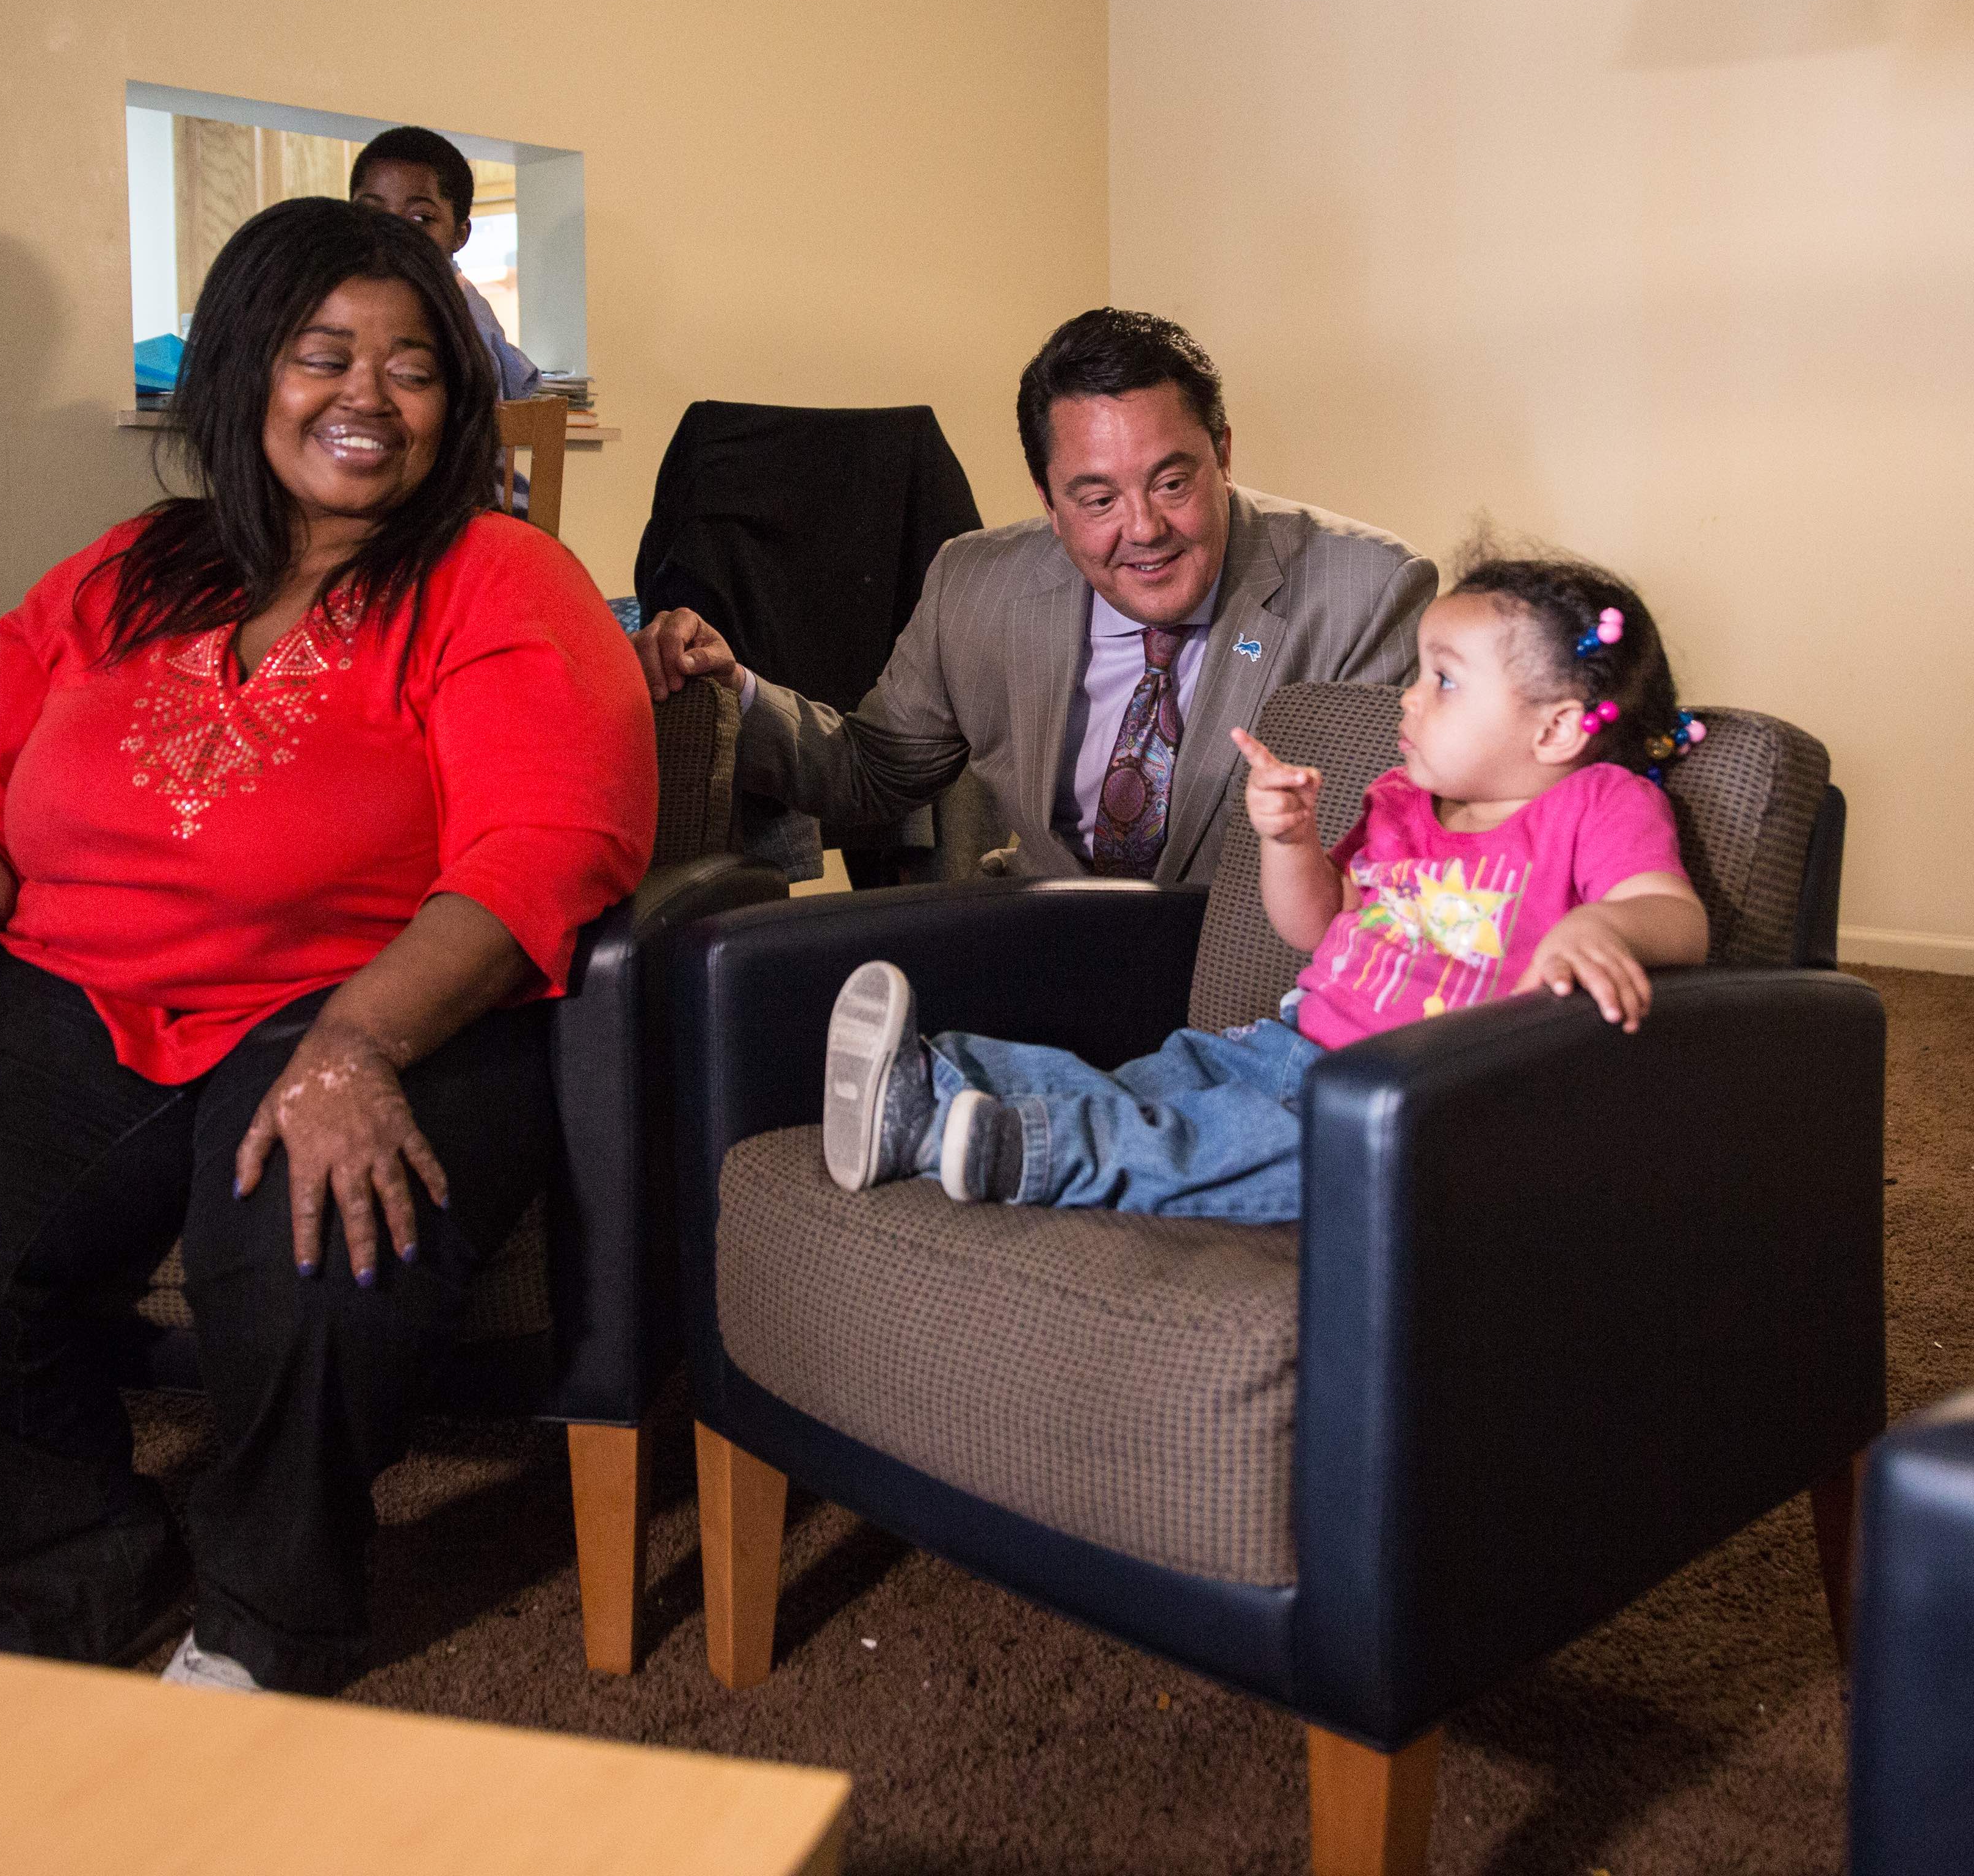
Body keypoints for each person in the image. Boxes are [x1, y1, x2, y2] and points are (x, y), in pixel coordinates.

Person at [0, 197, 654, 1697]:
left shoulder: (500, 578)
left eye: (413, 365)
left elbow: (549, 842)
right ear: (243, 373)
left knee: (312, 1207)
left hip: (368, 996)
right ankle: (69, 1563)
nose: (365, 396)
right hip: (77, 993)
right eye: (320, 355)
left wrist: (355, 1043)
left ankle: (267, 1616)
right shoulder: (118, 572)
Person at [819, 552, 1712, 1217]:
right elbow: (1318, 929)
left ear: (1557, 730)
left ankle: (1025, 1153)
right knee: (1146, 1081)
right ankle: (933, 1080)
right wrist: (1288, 841)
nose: (1408, 699)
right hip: (1288, 1042)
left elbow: (1672, 915)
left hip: (1414, 1112)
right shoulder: (1404, 802)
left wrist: (1609, 929)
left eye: (1444, 682)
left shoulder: (1599, 803)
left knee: (1224, 1146)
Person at [634, 309, 1437, 886]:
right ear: (1049, 501)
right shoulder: (975, 582)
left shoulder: (1365, 594)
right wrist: (737, 690)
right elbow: (872, 773)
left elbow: (1372, 860)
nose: (1145, 528)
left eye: (1172, 481)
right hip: (1045, 947)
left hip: (1254, 976)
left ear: (1222, 456)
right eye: (1097, 500)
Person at [349, 125, 540, 402]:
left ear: (460, 236)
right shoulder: (351, 297)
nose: (390, 231)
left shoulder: (458, 311)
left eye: (420, 219)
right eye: (371, 212)